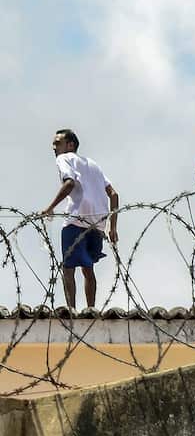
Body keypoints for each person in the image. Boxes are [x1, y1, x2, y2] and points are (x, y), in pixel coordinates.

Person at [41, 129, 118, 309]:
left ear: (71, 145)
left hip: (76, 220)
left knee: (68, 268)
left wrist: (50, 208)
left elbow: (69, 183)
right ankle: (91, 309)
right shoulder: (93, 164)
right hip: (97, 225)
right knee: (88, 269)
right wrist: (113, 227)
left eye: (58, 143)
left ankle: (71, 311)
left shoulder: (63, 159)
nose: (54, 147)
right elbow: (113, 194)